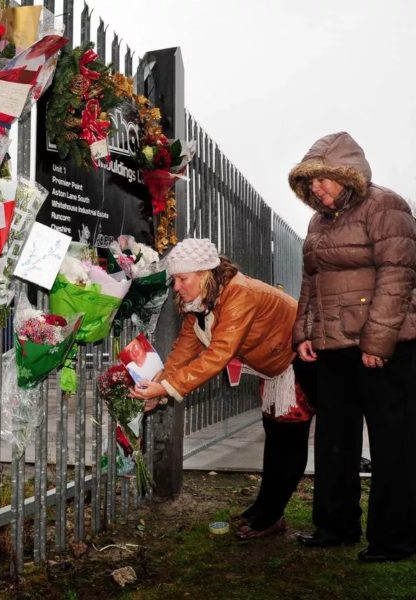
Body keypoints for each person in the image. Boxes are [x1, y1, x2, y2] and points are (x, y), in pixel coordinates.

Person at [131, 237, 316, 539]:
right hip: (275, 367)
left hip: (298, 361)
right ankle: (264, 508)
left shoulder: (239, 293)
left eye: (181, 278)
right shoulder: (204, 300)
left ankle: (271, 516)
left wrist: (165, 388)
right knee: (275, 439)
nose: (175, 287)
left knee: (290, 441)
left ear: (203, 273)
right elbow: (183, 350)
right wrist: (159, 387)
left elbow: (218, 354)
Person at [289, 131, 416, 562]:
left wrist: (377, 341)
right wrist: (304, 334)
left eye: (324, 179)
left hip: (384, 344)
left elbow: (398, 275)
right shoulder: (317, 223)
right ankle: (335, 526)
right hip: (333, 346)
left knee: (391, 442)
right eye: (310, 183)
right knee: (333, 439)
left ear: (349, 173)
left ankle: (394, 539)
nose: (317, 189)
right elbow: (311, 283)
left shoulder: (386, 206)